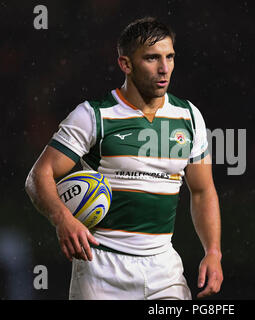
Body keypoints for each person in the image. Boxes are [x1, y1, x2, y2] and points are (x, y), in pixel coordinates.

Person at [25, 17, 223, 300]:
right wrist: (62, 219)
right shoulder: (93, 116)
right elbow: (38, 176)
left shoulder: (189, 116)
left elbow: (203, 191)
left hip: (164, 270)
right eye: (152, 58)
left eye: (169, 57)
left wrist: (213, 252)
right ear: (126, 64)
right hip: (100, 269)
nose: (164, 68)